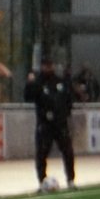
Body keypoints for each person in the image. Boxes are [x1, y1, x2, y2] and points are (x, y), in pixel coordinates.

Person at [27, 58, 77, 191]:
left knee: (68, 151)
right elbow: (28, 97)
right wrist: (30, 83)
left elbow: (68, 99)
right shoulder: (38, 83)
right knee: (42, 153)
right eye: (46, 66)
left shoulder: (59, 82)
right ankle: (42, 181)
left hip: (60, 124)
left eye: (50, 65)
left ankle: (71, 180)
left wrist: (65, 114)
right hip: (45, 125)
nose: (48, 68)